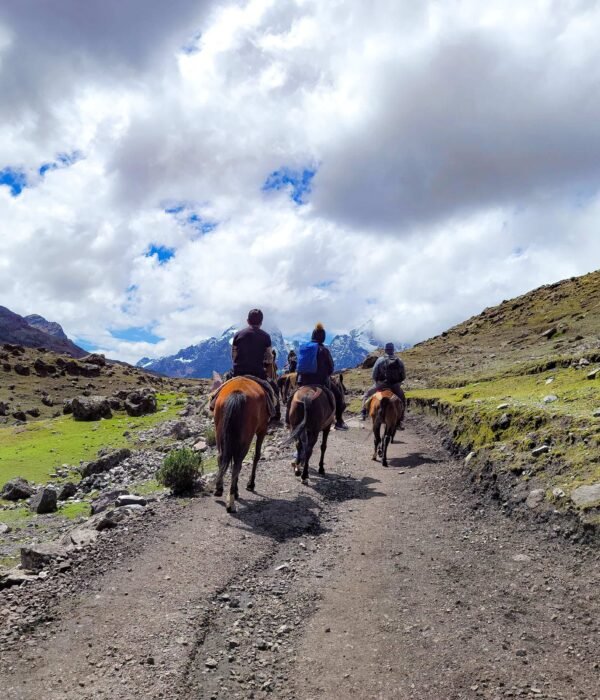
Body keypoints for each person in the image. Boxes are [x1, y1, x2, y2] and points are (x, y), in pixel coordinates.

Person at [295, 323, 348, 430]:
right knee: (338, 397)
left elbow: (299, 366)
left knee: (293, 397)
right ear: (323, 337)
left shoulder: (305, 349)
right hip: (321, 382)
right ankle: (339, 421)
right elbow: (331, 368)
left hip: (303, 382)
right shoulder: (324, 350)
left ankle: (288, 420)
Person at [232, 308, 281, 420]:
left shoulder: (238, 335)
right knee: (274, 389)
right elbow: (269, 359)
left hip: (238, 373)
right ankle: (275, 415)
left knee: (222, 388)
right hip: (257, 373)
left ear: (247, 321)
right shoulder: (265, 336)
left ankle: (214, 407)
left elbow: (234, 356)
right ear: (261, 323)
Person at [360, 343, 406, 422]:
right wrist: (398, 382)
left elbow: (374, 375)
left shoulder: (380, 360)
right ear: (393, 350)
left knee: (367, 395)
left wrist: (377, 381)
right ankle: (400, 419)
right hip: (395, 386)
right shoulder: (399, 361)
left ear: (385, 350)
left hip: (381, 385)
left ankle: (363, 413)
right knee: (402, 400)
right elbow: (403, 376)